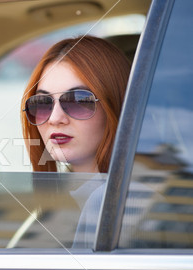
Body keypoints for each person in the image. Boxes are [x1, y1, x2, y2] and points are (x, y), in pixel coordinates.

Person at [21, 35, 131, 173]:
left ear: (115, 105)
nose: (54, 119)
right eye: (42, 103)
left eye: (78, 101)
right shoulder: (75, 193)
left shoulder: (139, 193)